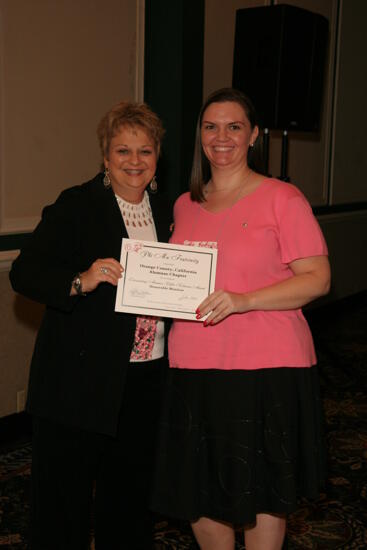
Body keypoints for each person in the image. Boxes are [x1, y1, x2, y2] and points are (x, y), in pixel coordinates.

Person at [151, 88, 331, 550]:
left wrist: (245, 299)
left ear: (252, 135)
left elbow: (317, 279)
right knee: (199, 488)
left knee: (263, 489)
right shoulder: (183, 205)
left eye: (234, 126)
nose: (221, 136)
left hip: (266, 367)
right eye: (211, 126)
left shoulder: (282, 198)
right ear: (200, 136)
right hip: (192, 365)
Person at [9, 101, 172, 549]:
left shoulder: (170, 210)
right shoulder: (77, 205)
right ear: (105, 156)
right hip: (78, 381)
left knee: (130, 500)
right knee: (64, 506)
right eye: (123, 151)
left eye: (145, 151)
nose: (134, 162)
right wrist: (81, 280)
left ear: (157, 155)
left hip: (145, 378)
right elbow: (23, 273)